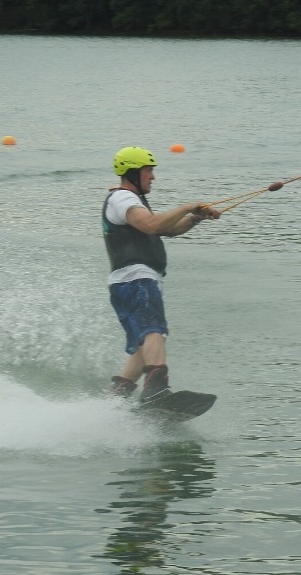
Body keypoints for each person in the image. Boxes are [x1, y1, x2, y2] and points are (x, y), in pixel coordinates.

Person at [102, 146, 220, 404]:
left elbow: (166, 230)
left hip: (126, 282)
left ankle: (116, 399)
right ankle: (155, 390)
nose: (152, 176)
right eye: (148, 171)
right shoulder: (123, 199)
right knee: (154, 330)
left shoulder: (129, 202)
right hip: (137, 278)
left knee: (144, 345)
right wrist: (189, 206)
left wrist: (195, 218)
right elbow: (152, 224)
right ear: (132, 172)